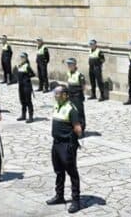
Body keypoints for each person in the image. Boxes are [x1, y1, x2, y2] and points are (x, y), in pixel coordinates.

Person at [46, 85, 83, 214]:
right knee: (58, 171)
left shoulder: (71, 109)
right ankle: (59, 195)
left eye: (58, 93)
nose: (55, 96)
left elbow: (78, 129)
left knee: (72, 172)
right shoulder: (57, 106)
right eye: (55, 93)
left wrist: (71, 141)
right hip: (56, 144)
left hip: (67, 145)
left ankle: (76, 200)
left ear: (65, 95)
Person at [66, 58, 86, 132]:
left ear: (74, 65)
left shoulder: (79, 75)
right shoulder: (68, 73)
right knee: (72, 112)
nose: (69, 66)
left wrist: (79, 94)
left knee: (79, 113)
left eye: (70, 64)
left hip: (77, 96)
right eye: (68, 64)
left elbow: (83, 86)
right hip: (70, 95)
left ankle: (81, 129)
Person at [15, 52, 35, 123]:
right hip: (21, 85)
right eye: (21, 57)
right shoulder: (20, 65)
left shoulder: (27, 66)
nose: (22, 58)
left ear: (26, 58)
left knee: (28, 101)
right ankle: (23, 115)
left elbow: (33, 74)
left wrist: (26, 77)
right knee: (22, 100)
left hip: (26, 85)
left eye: (23, 57)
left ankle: (30, 117)